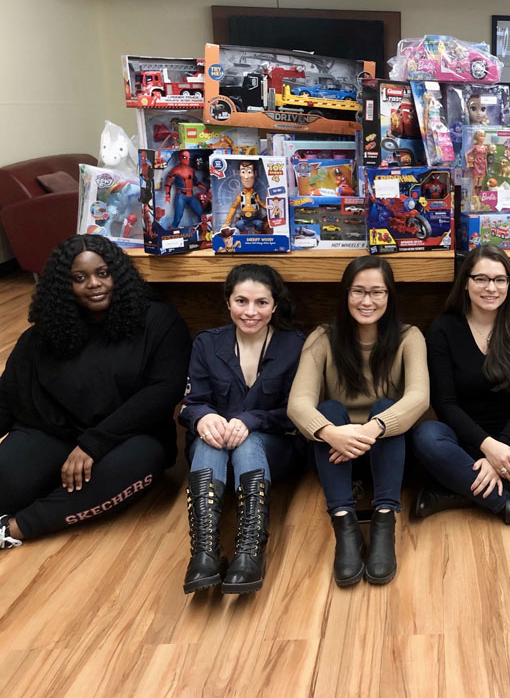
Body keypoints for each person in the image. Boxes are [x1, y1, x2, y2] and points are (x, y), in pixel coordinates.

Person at [0, 235, 190, 550]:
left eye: (102, 273)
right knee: (6, 479)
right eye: (79, 278)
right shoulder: (41, 337)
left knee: (132, 466)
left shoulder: (159, 320)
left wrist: (94, 443)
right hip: (54, 434)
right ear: (64, 287)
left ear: (118, 273)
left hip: (131, 437)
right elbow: (7, 399)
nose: (94, 284)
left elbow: (163, 392)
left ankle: (15, 528)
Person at [287, 256, 429, 588]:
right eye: (358, 291)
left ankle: (384, 522)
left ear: (389, 296)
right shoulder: (322, 337)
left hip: (388, 455)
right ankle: (344, 523)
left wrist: (373, 428)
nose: (367, 301)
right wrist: (330, 432)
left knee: (387, 408)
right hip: (334, 457)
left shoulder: (410, 337)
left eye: (377, 292)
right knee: (331, 409)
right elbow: (297, 404)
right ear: (345, 294)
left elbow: (419, 398)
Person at [412, 245, 510, 533]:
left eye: (500, 279)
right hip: (461, 440)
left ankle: (457, 490)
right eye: (481, 279)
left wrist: (503, 447)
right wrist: (489, 448)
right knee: (426, 436)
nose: (491, 288)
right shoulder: (443, 329)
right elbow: (445, 403)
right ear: (465, 283)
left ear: (509, 284)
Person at [177, 264, 305, 594]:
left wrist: (251, 420)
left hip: (274, 447)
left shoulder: (295, 346)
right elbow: (191, 404)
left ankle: (249, 553)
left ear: (275, 305)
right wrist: (203, 417)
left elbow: (297, 414)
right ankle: (203, 554)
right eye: (241, 301)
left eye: (261, 303)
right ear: (228, 302)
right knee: (209, 442)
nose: (250, 312)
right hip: (215, 447)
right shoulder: (206, 343)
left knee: (248, 445)